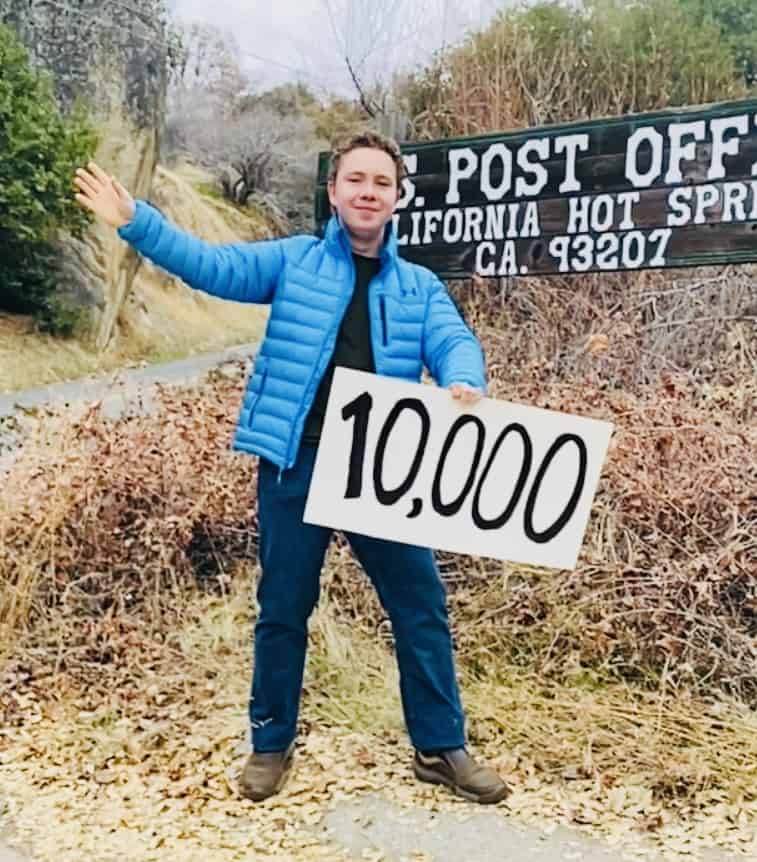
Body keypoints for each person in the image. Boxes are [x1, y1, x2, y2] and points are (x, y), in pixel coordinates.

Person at [73, 130, 510, 805]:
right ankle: (269, 745)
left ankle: (438, 746)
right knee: (282, 608)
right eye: (356, 180)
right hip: (295, 461)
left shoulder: (418, 286)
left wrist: (462, 377)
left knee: (419, 605)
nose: (368, 192)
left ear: (397, 199)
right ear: (334, 193)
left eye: (381, 184)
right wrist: (139, 222)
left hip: (376, 469)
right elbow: (212, 266)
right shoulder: (295, 261)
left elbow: (453, 340)